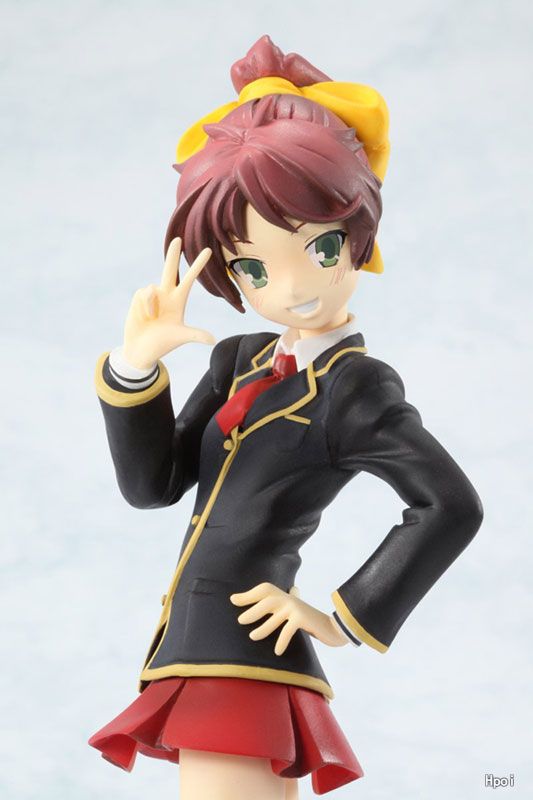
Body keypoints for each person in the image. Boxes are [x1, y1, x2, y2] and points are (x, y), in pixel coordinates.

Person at [88, 35, 483, 800]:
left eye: (321, 247)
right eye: (254, 267)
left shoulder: (353, 387)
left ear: (358, 234)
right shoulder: (235, 360)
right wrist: (137, 367)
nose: (293, 286)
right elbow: (153, 485)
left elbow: (449, 505)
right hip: (194, 643)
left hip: (241, 649)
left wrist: (339, 616)